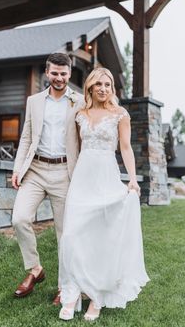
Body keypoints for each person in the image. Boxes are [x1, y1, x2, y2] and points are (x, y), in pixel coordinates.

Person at [58, 67, 150, 321]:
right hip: (82, 180)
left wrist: (132, 179)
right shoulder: (80, 114)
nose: (103, 89)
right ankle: (72, 291)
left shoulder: (120, 114)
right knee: (73, 234)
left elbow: (125, 148)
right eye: (98, 84)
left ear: (113, 88)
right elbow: (76, 147)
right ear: (89, 87)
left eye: (108, 85)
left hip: (106, 177)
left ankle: (97, 296)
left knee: (101, 237)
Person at [11, 52, 84, 302]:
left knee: (65, 233)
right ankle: (35, 269)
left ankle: (65, 286)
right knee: (19, 218)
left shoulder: (80, 102)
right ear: (47, 72)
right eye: (54, 73)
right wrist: (17, 169)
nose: (59, 78)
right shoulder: (34, 101)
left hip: (65, 173)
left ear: (69, 74)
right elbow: (26, 137)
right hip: (35, 170)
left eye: (63, 73)